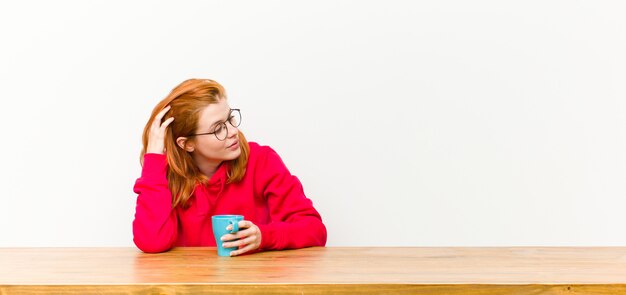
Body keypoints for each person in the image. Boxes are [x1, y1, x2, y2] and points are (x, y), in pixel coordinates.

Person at [132, 79, 327, 255]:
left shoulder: (261, 160)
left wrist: (263, 236)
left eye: (230, 119)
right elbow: (152, 242)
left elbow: (315, 230)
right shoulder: (163, 176)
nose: (233, 131)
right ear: (187, 144)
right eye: (218, 128)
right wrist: (154, 158)